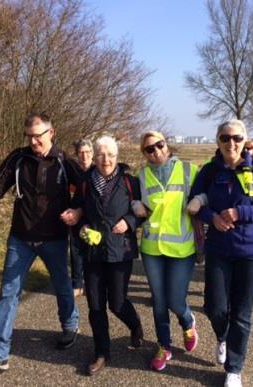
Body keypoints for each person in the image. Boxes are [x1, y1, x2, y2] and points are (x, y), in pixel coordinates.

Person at [0, 113, 80, 374]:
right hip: (20, 238)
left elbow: (85, 191)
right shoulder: (18, 159)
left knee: (62, 285)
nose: (34, 142)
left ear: (51, 132)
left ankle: (70, 324)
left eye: (39, 136)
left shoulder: (64, 161)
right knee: (8, 294)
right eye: (30, 137)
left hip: (54, 238)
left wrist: (78, 213)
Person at [189, 119, 253, 387]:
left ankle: (234, 368)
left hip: (252, 250)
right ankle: (223, 336)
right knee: (214, 306)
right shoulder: (207, 171)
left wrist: (240, 212)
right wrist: (211, 217)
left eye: (237, 138)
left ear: (245, 141)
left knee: (242, 311)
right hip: (219, 248)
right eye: (226, 138)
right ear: (218, 140)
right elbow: (194, 203)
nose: (231, 143)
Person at [62, 136, 143, 376]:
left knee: (117, 303)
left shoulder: (129, 181)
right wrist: (82, 226)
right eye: (100, 155)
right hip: (93, 252)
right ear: (94, 157)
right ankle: (101, 353)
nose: (105, 159)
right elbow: (79, 212)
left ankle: (135, 324)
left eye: (110, 155)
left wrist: (129, 222)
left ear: (117, 157)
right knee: (96, 306)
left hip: (121, 251)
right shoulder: (86, 182)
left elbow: (141, 212)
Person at [132, 131, 199, 372]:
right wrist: (135, 204)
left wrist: (199, 200)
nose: (156, 151)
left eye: (159, 145)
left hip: (181, 247)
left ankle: (187, 320)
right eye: (149, 149)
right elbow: (133, 199)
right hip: (152, 247)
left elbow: (206, 192)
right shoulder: (142, 174)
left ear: (166, 145)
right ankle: (164, 345)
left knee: (175, 300)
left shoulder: (189, 170)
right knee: (159, 301)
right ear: (144, 153)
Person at [69, 139, 94, 297]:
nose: (84, 156)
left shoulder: (97, 170)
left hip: (92, 216)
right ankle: (77, 284)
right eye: (81, 153)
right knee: (76, 250)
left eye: (87, 152)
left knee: (92, 250)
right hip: (75, 215)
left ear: (92, 153)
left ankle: (92, 283)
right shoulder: (72, 171)